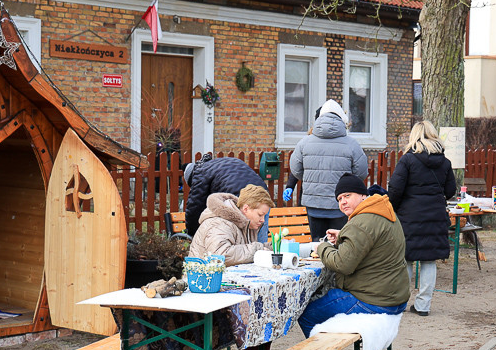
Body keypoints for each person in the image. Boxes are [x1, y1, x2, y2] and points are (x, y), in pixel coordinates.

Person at [297, 173, 410, 350]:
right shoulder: (383, 211)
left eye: (347, 196)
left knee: (306, 312)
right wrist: (344, 237)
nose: (343, 202)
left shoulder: (362, 222)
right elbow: (372, 242)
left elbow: (342, 264)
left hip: (374, 300)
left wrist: (321, 248)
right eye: (339, 199)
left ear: (362, 194)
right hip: (394, 296)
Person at [187, 184, 274, 350]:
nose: (262, 220)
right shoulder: (220, 223)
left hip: (224, 283)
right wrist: (258, 249)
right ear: (245, 210)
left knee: (269, 297)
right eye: (260, 215)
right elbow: (221, 255)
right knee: (255, 303)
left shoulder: (245, 223)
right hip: (205, 287)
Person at [387, 121, 458, 316]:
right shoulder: (444, 162)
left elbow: (395, 189)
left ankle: (400, 303)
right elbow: (450, 190)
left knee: (406, 260)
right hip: (435, 216)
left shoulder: (407, 160)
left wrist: (394, 207)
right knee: (429, 261)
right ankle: (423, 305)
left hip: (409, 217)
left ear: (414, 136)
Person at [288, 99, 368, 240]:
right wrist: (346, 184)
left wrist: (310, 180)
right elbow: (361, 173)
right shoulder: (352, 144)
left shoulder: (304, 143)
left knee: (315, 245)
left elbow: (295, 169)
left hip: (312, 205)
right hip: (340, 206)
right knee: (340, 244)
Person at [184, 156, 270, 243]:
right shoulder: (222, 162)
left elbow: (194, 207)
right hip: (263, 193)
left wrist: (191, 233)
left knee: (241, 241)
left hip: (240, 196)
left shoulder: (200, 173)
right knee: (260, 240)